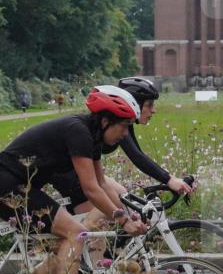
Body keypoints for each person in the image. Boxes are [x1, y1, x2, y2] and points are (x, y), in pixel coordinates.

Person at [0, 85, 147, 274]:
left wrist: (130, 216)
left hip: (21, 187)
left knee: (69, 241)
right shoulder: (78, 131)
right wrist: (122, 220)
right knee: (76, 233)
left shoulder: (93, 137)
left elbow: (102, 184)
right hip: (5, 186)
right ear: (106, 121)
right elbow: (90, 189)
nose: (125, 134)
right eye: (124, 126)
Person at [53, 77, 193, 206]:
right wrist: (169, 180)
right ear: (136, 104)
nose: (154, 110)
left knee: (124, 197)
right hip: (65, 171)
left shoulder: (124, 125)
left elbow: (139, 153)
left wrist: (170, 178)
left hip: (81, 171)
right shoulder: (117, 124)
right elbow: (136, 157)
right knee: (109, 209)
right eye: (149, 105)